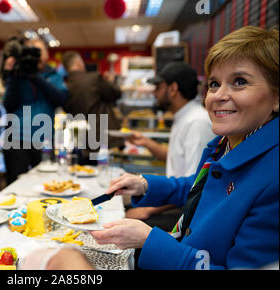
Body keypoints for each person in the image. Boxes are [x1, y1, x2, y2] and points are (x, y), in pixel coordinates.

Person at [21, 26, 279, 270]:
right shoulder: (225, 144)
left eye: (240, 82)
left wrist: (148, 239)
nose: (219, 95)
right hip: (177, 247)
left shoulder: (272, 179)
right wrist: (145, 185)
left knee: (62, 257)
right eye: (214, 84)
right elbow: (199, 189)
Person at [124, 62, 216, 232]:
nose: (154, 92)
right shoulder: (184, 116)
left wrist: (150, 209)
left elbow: (194, 187)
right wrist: (146, 142)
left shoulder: (197, 123)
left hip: (185, 214)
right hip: (174, 202)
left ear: (173, 89)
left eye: (158, 87)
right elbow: (175, 157)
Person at [1, 37, 68, 184]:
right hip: (16, 138)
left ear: (46, 55)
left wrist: (35, 78)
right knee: (16, 184)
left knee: (46, 183)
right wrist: (13, 77)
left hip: (44, 138)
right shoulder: (17, 76)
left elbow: (60, 100)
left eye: (38, 51)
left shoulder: (54, 76)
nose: (34, 57)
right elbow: (8, 105)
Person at [61, 50, 124, 163]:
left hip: (81, 141)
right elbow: (116, 93)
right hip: (102, 139)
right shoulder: (94, 78)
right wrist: (111, 81)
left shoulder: (64, 86)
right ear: (79, 63)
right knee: (105, 175)